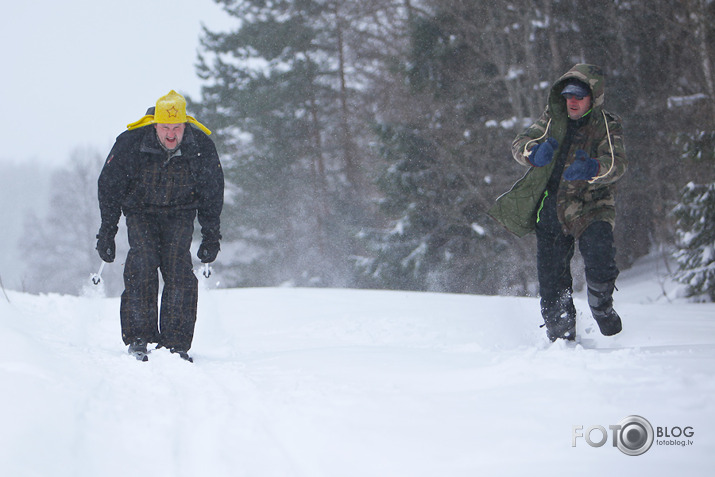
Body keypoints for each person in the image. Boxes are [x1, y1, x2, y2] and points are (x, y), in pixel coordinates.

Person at [488, 64, 627, 341]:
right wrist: (533, 152)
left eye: (579, 96)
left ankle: (601, 307)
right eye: (568, 95)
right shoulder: (552, 120)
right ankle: (561, 336)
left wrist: (593, 169)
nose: (572, 102)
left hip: (592, 205)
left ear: (593, 98)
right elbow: (520, 142)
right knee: (551, 281)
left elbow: (618, 163)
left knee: (599, 257)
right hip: (552, 206)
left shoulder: (606, 125)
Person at [96, 90, 224, 361]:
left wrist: (211, 235)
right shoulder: (130, 143)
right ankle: (139, 338)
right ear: (154, 125)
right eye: (165, 127)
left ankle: (176, 343)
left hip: (180, 212)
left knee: (178, 268)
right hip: (140, 211)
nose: (170, 134)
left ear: (185, 126)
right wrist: (107, 231)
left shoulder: (200, 146)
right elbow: (109, 186)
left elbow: (212, 191)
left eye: (176, 128)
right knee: (142, 262)